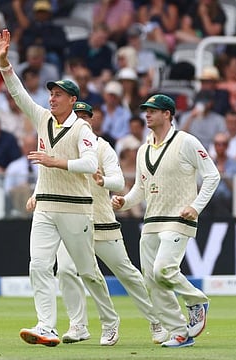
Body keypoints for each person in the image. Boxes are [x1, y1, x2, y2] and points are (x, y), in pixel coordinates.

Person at [0, 29, 119, 347]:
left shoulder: (82, 128)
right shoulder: (42, 118)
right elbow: (18, 94)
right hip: (47, 206)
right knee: (38, 264)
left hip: (76, 208)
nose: (51, 99)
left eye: (59, 95)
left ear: (73, 100)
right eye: (51, 94)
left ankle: (110, 321)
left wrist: (56, 162)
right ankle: (46, 326)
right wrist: (4, 63)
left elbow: (91, 165)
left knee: (87, 271)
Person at [43, 101, 169, 345]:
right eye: (76, 116)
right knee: (69, 271)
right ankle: (85, 325)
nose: (81, 121)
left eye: (85, 117)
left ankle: (156, 321)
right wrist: (36, 196)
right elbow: (50, 178)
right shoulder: (60, 143)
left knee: (127, 274)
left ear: (91, 121)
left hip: (101, 221)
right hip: (71, 219)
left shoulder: (102, 148)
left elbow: (119, 181)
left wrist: (104, 182)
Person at [112, 94, 220, 348]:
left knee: (164, 270)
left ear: (168, 114)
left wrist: (195, 207)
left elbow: (212, 176)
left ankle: (196, 300)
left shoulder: (186, 141)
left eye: (153, 110)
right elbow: (141, 188)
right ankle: (179, 331)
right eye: (146, 110)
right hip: (151, 221)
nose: (147, 114)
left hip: (178, 217)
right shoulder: (143, 149)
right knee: (152, 279)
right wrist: (125, 202)